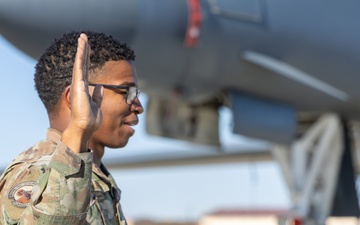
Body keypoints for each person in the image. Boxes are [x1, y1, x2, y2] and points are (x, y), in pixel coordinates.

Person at [0, 31, 144, 224]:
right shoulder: (39, 172)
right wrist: (79, 129)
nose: (138, 106)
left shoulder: (91, 173)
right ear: (75, 97)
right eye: (127, 91)